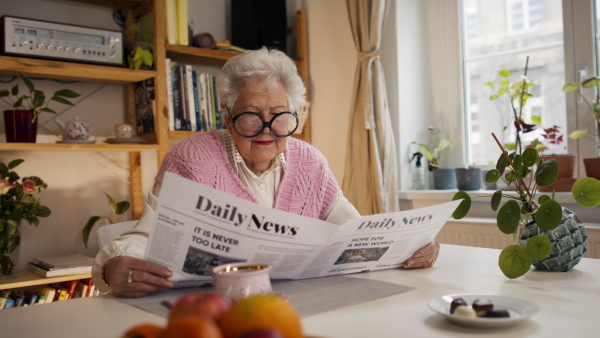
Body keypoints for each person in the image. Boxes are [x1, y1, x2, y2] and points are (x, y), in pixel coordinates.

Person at [93, 47, 440, 298]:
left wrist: (413, 246)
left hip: (294, 310)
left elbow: (352, 234)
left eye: (279, 115)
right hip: (213, 314)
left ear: (294, 117)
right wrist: (113, 267)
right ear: (228, 119)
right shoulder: (192, 159)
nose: (267, 129)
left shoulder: (310, 163)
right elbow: (145, 237)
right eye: (250, 115)